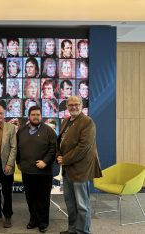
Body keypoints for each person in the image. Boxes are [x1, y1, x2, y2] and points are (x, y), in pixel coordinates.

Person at [56, 96, 102, 234]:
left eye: (76, 104)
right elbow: (61, 141)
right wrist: (59, 154)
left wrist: (65, 159)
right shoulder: (66, 121)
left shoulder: (87, 122)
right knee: (70, 204)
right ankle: (72, 230)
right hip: (67, 169)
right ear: (67, 106)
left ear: (82, 105)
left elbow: (84, 147)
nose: (73, 107)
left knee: (82, 205)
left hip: (80, 169)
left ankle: (82, 231)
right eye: (70, 105)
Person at [16, 105, 57, 233]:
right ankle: (33, 219)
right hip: (27, 171)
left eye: (38, 115)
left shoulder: (49, 130)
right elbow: (16, 148)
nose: (36, 117)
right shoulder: (21, 131)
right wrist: (18, 162)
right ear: (29, 116)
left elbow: (53, 148)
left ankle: (43, 222)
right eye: (33, 115)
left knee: (43, 198)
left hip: (44, 172)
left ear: (41, 116)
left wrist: (45, 161)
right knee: (30, 197)